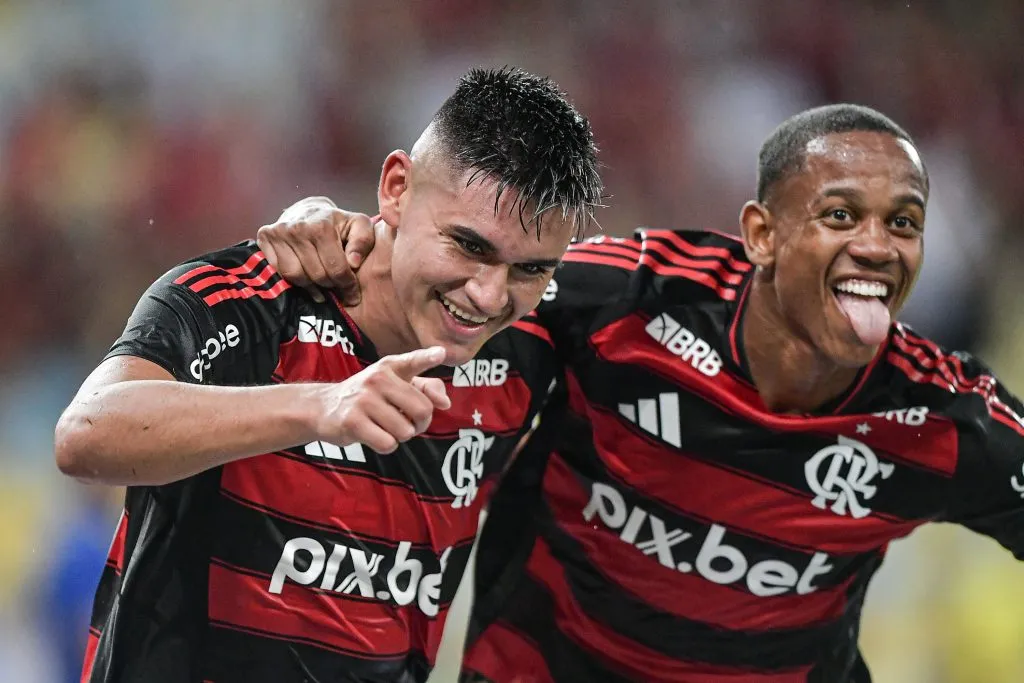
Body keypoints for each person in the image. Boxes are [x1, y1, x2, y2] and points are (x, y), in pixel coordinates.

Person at [260, 103, 1024, 683]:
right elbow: (463, 280)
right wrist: (329, 224)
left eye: (905, 222)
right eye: (840, 215)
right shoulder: (625, 301)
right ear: (760, 233)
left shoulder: (941, 418)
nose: (877, 246)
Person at [53, 66, 602, 683]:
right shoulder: (253, 302)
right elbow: (86, 435)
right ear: (396, 187)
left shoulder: (528, 350)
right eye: (469, 246)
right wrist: (318, 406)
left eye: (529, 270)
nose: (488, 294)